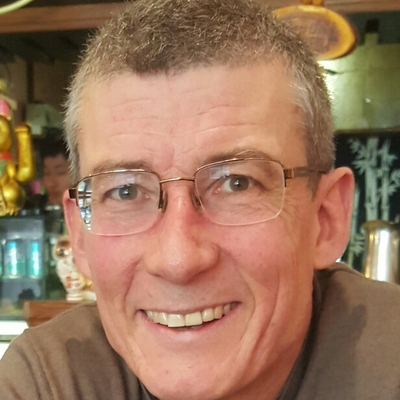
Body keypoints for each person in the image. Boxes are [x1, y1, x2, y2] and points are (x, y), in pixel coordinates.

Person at [1, 1, 400, 399]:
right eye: (125, 191)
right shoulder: (48, 381)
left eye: (237, 184)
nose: (177, 261)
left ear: (325, 218)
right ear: (79, 235)